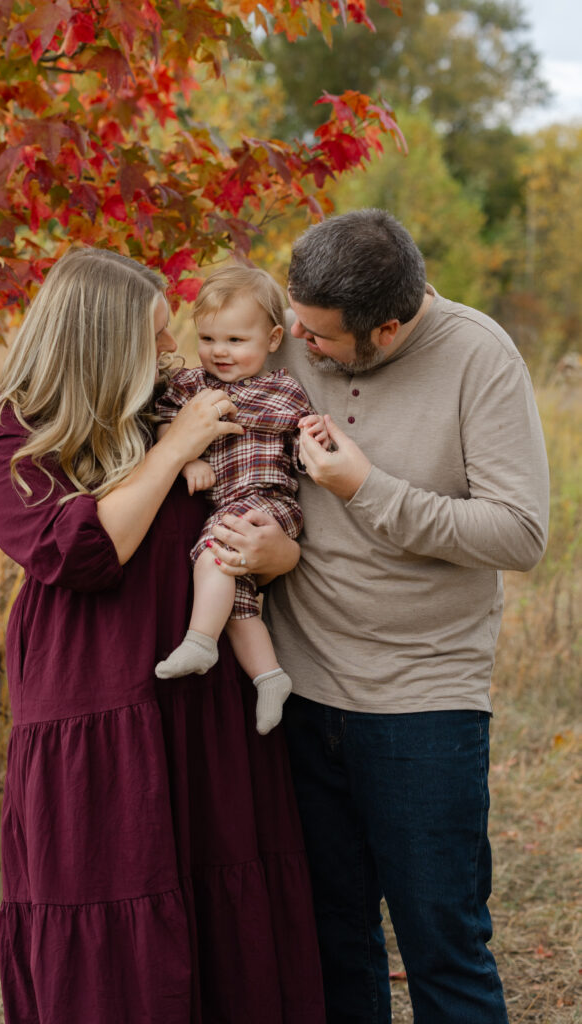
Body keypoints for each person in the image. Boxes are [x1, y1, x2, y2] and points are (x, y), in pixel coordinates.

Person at [0, 247, 327, 1024]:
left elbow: (260, 500)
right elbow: (83, 554)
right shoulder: (14, 432)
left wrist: (279, 553)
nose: (170, 348)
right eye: (153, 333)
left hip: (199, 678)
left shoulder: (176, 399)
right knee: (108, 876)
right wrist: (172, 450)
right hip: (92, 686)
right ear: (101, 339)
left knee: (218, 867)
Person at [206, 210, 549, 1023]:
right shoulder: (292, 329)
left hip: (421, 701)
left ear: (385, 329)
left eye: (317, 336)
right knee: (331, 943)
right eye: (294, 321)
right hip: (296, 688)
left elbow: (518, 533)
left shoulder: (478, 358)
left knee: (441, 944)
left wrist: (365, 488)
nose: (296, 342)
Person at [154, 266, 327, 735]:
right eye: (208, 338)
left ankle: (199, 641)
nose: (220, 351)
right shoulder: (191, 385)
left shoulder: (285, 389)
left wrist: (317, 441)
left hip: (268, 502)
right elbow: (165, 424)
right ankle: (270, 678)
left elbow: (304, 450)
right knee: (237, 600)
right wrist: (187, 459)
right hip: (228, 505)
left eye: (235, 340)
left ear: (272, 339)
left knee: (213, 551)